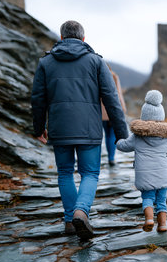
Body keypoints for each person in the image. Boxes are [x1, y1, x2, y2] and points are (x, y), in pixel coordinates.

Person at [31, 20, 128, 239]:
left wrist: (39, 128)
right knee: (90, 173)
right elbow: (111, 99)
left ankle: (69, 221)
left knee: (65, 173)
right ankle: (81, 212)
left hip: (60, 128)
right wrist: (121, 133)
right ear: (83, 39)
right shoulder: (96, 62)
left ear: (62, 38)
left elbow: (38, 99)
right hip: (89, 130)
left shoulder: (46, 63)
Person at [116, 90, 167, 232]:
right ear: (161, 116)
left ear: (144, 116)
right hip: (163, 174)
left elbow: (124, 146)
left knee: (147, 197)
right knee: (161, 200)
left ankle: (148, 219)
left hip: (144, 175)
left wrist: (118, 142)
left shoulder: (137, 136)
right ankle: (163, 224)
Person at [101, 65, 126, 167]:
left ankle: (99, 159)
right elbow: (118, 94)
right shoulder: (113, 76)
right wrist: (123, 108)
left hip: (99, 111)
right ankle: (111, 158)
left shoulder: (96, 76)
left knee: (105, 135)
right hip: (112, 110)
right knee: (112, 135)